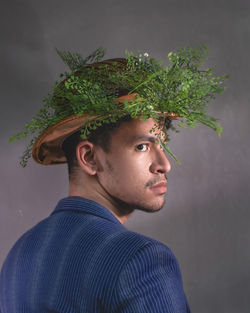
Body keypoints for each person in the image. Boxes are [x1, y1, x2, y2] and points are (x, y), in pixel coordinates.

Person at [0, 46, 227, 312]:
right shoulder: (141, 259)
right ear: (89, 158)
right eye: (142, 146)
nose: (164, 165)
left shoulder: (19, 255)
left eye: (162, 146)